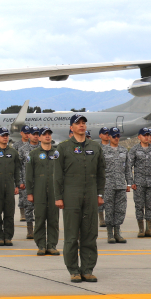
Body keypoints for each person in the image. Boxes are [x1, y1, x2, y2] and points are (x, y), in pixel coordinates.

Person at [54, 114, 105, 283]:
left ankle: (88, 269)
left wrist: (99, 194)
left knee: (90, 233)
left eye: (83, 123)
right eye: (78, 123)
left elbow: (101, 173)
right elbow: (58, 175)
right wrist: (58, 197)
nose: (81, 126)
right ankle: (74, 270)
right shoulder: (63, 148)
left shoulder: (95, 147)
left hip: (90, 194)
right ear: (71, 127)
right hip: (71, 195)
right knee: (71, 235)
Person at [26, 127, 60, 255]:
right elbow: (29, 175)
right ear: (39, 138)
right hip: (39, 191)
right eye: (44, 134)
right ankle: (41, 245)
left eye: (49, 134)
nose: (47, 136)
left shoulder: (57, 153)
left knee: (53, 219)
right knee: (40, 218)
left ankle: (51, 245)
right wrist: (29, 192)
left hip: (54, 191)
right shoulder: (33, 154)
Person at [0, 127, 22, 246]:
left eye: (6, 135)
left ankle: (8, 236)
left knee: (9, 213)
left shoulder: (13, 152)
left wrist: (17, 185)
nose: (5, 137)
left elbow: (17, 169)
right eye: (3, 135)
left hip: (10, 185)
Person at [129, 128, 151, 238]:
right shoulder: (134, 150)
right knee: (139, 206)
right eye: (144, 135)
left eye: (148, 135)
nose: (147, 137)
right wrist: (131, 182)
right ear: (139, 137)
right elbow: (129, 166)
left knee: (150, 206)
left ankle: (149, 229)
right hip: (139, 183)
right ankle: (141, 229)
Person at [102, 127, 130, 244]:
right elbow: (100, 170)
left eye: (118, 136)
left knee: (120, 209)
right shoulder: (103, 151)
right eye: (114, 136)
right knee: (109, 209)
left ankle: (117, 232)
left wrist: (129, 183)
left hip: (120, 184)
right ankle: (110, 234)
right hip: (108, 185)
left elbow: (127, 169)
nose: (116, 138)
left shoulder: (124, 151)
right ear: (109, 137)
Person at [18, 127, 41, 238]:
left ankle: (39, 229)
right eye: (34, 134)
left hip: (41, 182)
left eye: (37, 134)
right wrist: (20, 181)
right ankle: (30, 230)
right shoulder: (23, 149)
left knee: (40, 207)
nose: (36, 136)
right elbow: (18, 166)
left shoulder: (43, 147)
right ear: (29, 136)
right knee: (28, 206)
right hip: (27, 182)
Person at [14, 125, 31, 222]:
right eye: (25, 133)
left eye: (28, 133)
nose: (27, 135)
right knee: (22, 195)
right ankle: (22, 213)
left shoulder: (31, 144)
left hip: (29, 172)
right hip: (21, 172)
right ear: (21, 133)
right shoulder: (17, 145)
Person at [97, 127, 110, 227]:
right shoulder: (97, 148)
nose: (107, 135)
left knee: (110, 201)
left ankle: (109, 219)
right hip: (101, 178)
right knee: (100, 198)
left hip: (112, 178)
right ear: (100, 135)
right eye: (105, 133)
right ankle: (101, 219)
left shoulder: (113, 147)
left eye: (108, 133)